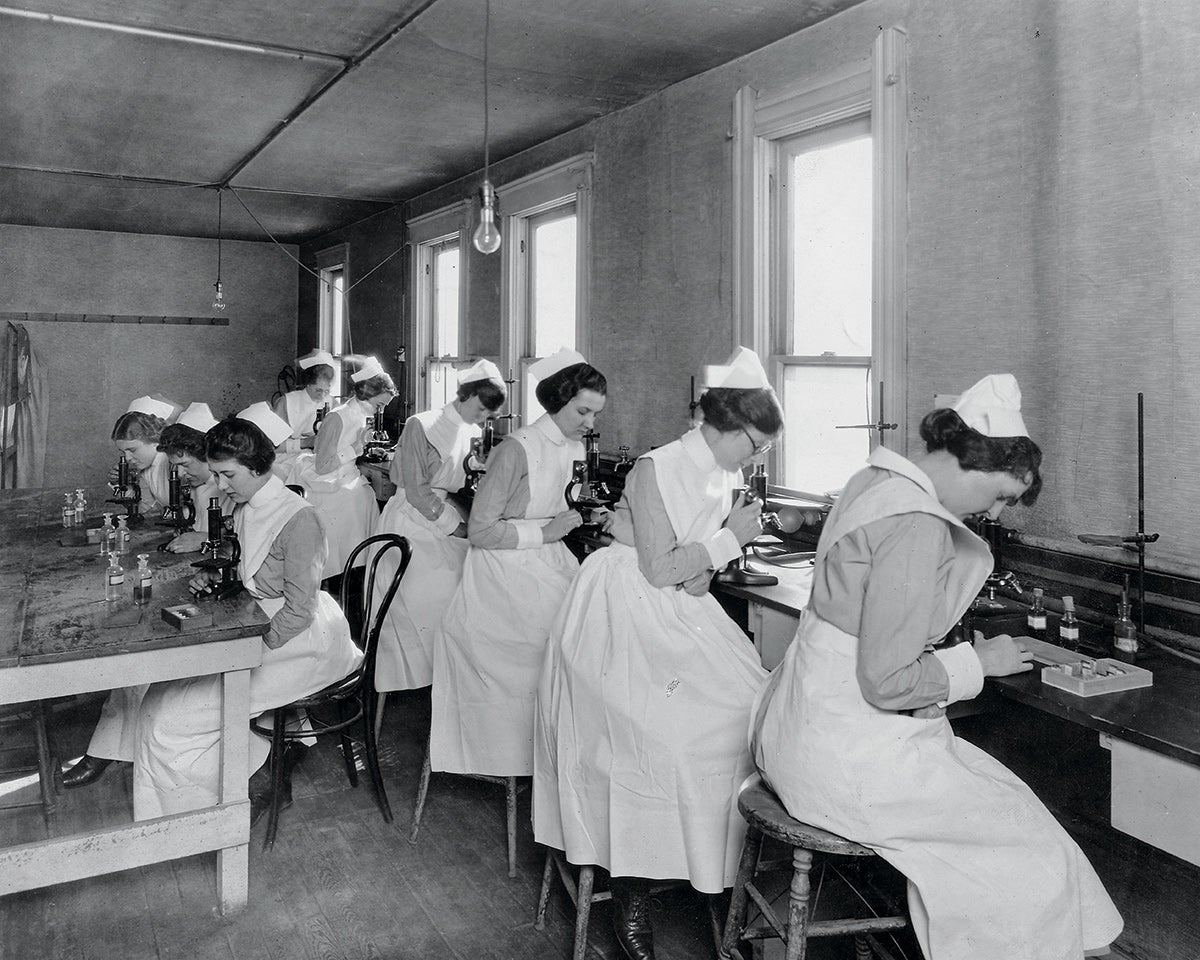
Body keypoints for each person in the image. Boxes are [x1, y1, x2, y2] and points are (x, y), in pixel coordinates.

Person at [750, 374, 1123, 960]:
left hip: (797, 729)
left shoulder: (873, 480)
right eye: (1000, 494)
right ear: (972, 460)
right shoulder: (916, 523)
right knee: (1031, 845)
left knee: (1007, 796)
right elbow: (887, 680)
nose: (996, 510)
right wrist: (977, 662)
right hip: (845, 761)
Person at [533, 347, 779, 960]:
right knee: (660, 739)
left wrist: (716, 551)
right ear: (721, 426)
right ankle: (631, 886)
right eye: (754, 444)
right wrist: (727, 540)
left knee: (746, 718)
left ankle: (715, 877)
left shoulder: (722, 476)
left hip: (673, 612)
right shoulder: (657, 468)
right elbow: (659, 564)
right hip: (618, 612)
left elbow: (691, 578)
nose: (757, 458)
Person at [133, 416, 363, 821]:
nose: (219, 485)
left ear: (258, 467)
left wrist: (248, 651)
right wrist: (217, 576)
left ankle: (217, 813)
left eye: (227, 475)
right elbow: (250, 569)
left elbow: (299, 609)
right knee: (157, 696)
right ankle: (243, 780)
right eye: (217, 474)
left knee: (169, 719)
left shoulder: (299, 518)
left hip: (300, 639)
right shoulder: (247, 504)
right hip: (263, 623)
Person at [430, 348, 606, 779]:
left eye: (595, 414)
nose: (591, 423)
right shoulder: (517, 449)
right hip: (501, 573)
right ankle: (532, 759)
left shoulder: (571, 445)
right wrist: (546, 532)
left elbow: (552, 505)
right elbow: (483, 531)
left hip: (544, 561)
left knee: (593, 631)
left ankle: (564, 761)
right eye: (584, 411)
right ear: (558, 402)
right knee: (564, 643)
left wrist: (583, 515)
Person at [60, 396, 178, 789]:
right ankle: (109, 749)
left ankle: (111, 753)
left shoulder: (171, 464)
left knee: (137, 648)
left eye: (132, 449)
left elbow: (178, 514)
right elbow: (142, 513)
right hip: (164, 555)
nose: (128, 455)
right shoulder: (148, 467)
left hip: (178, 559)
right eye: (123, 451)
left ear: (156, 440)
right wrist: (124, 484)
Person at [373, 359, 507, 697]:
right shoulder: (423, 424)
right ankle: (427, 678)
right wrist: (454, 526)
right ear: (466, 394)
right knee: (439, 592)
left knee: (476, 584)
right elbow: (417, 491)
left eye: (489, 414)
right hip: (410, 520)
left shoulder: (474, 432)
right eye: (480, 408)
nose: (483, 418)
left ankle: (453, 677)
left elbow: (467, 482)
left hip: (441, 513)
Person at [291, 356, 395, 580]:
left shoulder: (359, 414)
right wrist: (357, 446)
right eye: (380, 405)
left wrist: (366, 448)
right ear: (367, 394)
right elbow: (323, 466)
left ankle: (359, 568)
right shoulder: (338, 417)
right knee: (357, 500)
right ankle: (341, 571)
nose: (381, 412)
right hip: (326, 480)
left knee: (365, 498)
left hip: (344, 474)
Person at [156, 402, 230, 554]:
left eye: (185, 464)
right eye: (176, 466)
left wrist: (208, 538)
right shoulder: (196, 484)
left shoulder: (231, 487)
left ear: (206, 454)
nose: (181, 473)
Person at [273, 349, 336, 476]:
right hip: (287, 459)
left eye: (327, 390)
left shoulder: (333, 403)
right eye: (318, 390)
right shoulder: (286, 402)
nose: (323, 395)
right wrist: (306, 443)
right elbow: (274, 446)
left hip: (318, 459)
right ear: (307, 384)